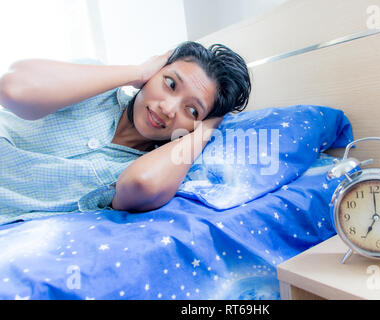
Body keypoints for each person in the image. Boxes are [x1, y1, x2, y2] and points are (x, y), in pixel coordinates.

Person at [0, 41, 251, 223]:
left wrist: (211, 123)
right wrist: (137, 72)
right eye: (170, 84)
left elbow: (142, 184)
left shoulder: (148, 167)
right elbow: (13, 87)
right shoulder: (96, 86)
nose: (168, 108)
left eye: (192, 111)